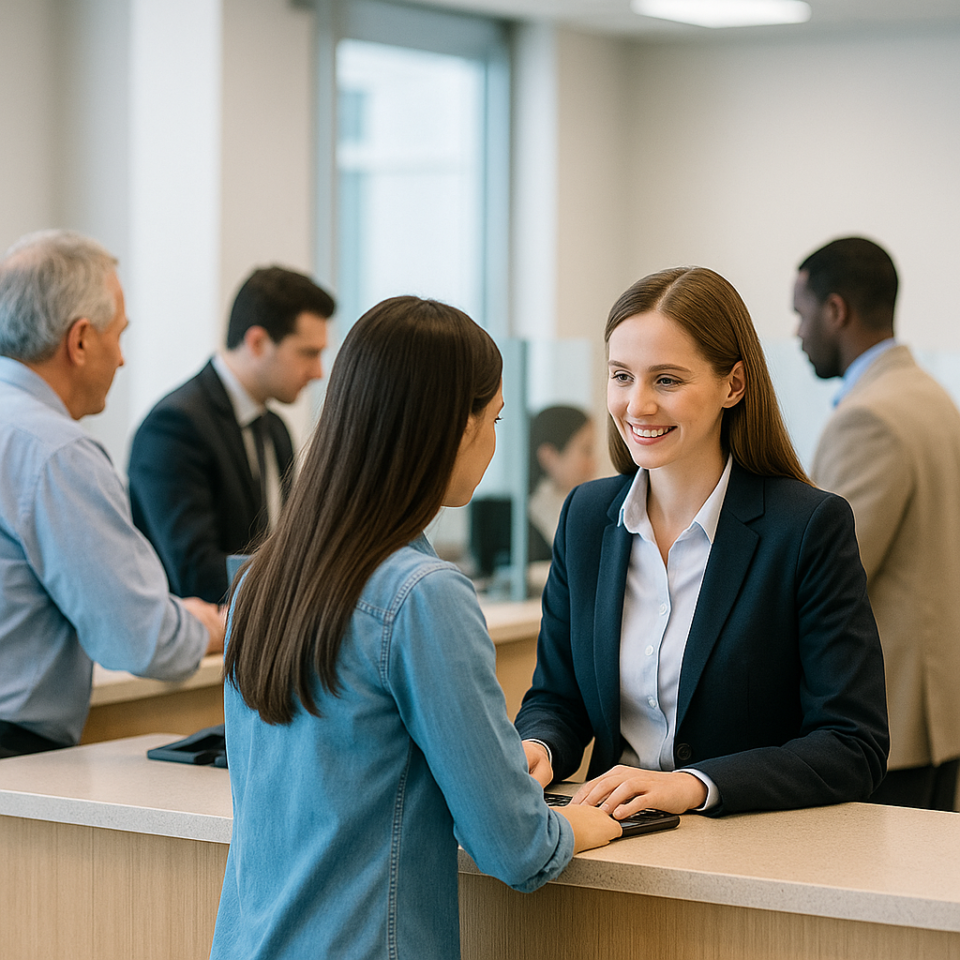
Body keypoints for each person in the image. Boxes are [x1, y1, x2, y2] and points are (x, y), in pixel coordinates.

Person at [210, 296, 621, 960]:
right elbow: (514, 848)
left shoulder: (260, 580)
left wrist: (489, 765)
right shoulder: (423, 597)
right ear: (459, 427)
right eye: (494, 419)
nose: (493, 441)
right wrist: (578, 823)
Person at [515, 266, 889, 818]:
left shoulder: (808, 527)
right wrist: (537, 746)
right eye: (621, 376)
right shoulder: (587, 517)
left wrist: (696, 784)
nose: (636, 405)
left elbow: (852, 744)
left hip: (747, 854)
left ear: (732, 385)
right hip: (609, 839)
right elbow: (557, 698)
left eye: (666, 380)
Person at [0, 229, 223, 759]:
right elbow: (139, 639)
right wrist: (206, 627)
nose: (122, 359)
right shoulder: (56, 452)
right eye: (118, 335)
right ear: (79, 341)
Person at [795, 236, 960, 810]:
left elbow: (831, 576)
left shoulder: (867, 417)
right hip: (936, 711)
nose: (797, 333)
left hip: (888, 718)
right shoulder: (931, 396)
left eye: (801, 313)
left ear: (835, 310)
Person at [128, 266, 335, 603]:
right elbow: (196, 573)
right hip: (198, 647)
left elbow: (281, 544)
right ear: (257, 342)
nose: (317, 372)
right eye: (308, 353)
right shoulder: (173, 427)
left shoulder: (276, 430)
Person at [527, 405, 597, 561]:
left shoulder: (584, 505)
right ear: (549, 456)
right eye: (586, 451)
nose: (592, 465)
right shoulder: (531, 517)